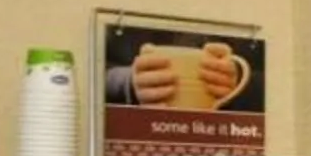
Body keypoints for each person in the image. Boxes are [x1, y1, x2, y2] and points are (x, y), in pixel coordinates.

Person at [106, 41, 251, 109]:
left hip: (220, 135)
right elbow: (89, 69)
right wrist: (126, 81)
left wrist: (233, 76)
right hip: (133, 131)